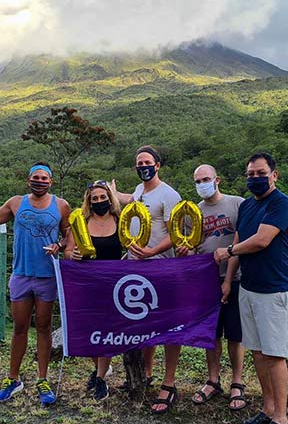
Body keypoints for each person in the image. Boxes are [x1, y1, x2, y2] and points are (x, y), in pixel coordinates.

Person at [0, 162, 72, 406]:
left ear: (50, 182)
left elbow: (69, 234)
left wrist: (59, 246)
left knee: (43, 327)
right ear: (28, 179)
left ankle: (43, 379)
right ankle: (13, 379)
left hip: (47, 276)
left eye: (44, 178)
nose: (40, 181)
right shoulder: (16, 202)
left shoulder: (61, 205)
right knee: (19, 328)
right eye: (36, 177)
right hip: (21, 274)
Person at [214, 153, 288, 424]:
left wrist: (227, 250)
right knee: (258, 353)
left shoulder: (281, 203)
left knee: (274, 354)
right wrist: (228, 280)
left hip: (273, 289)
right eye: (250, 174)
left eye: (261, 173)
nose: (255, 179)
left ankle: (281, 417)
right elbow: (239, 241)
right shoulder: (247, 206)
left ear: (274, 175)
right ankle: (268, 409)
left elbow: (261, 241)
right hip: (248, 288)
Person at [112, 145, 183, 414]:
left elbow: (176, 232)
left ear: (158, 165)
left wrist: (152, 251)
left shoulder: (169, 194)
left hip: (162, 268)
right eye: (139, 163)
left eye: (147, 162)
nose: (143, 166)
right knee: (145, 323)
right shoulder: (141, 191)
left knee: (167, 326)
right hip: (136, 269)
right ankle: (148, 373)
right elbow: (130, 198)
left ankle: (169, 383)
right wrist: (112, 191)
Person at [189, 164, 247, 411]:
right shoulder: (194, 211)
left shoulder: (238, 204)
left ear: (217, 180)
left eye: (206, 179)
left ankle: (237, 382)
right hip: (205, 281)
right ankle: (213, 380)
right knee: (210, 335)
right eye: (198, 181)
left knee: (235, 335)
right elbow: (192, 245)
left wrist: (227, 280)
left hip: (235, 279)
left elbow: (240, 243)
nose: (202, 183)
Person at [64, 179, 123, 401]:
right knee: (89, 333)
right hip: (87, 285)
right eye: (95, 198)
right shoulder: (82, 222)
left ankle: (100, 378)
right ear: (89, 201)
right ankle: (100, 367)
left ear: (110, 198)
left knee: (106, 332)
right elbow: (69, 251)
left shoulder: (120, 220)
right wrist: (74, 255)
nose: (99, 201)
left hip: (113, 286)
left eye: (103, 197)